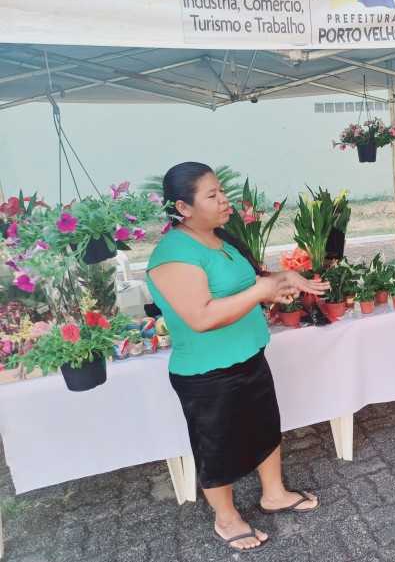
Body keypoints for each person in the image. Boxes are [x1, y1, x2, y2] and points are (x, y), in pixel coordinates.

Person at [147, 162, 330, 552]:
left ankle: (274, 494)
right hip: (207, 372)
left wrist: (282, 280)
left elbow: (247, 284)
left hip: (249, 354)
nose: (224, 201)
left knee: (265, 427)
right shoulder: (173, 254)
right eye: (212, 195)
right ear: (183, 207)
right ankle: (226, 518)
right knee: (217, 445)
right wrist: (262, 291)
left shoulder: (219, 238)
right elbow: (202, 317)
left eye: (222, 191)